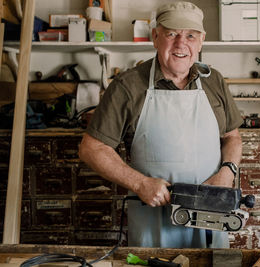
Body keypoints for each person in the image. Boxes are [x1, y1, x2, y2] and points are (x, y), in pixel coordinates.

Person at [79, 1, 243, 248]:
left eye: (190, 35)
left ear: (201, 41)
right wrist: (140, 183)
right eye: (171, 34)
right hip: (153, 220)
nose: (181, 44)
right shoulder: (128, 86)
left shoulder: (214, 81)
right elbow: (91, 149)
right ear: (155, 37)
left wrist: (227, 171)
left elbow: (232, 137)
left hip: (210, 216)